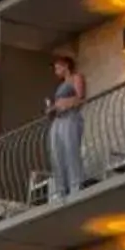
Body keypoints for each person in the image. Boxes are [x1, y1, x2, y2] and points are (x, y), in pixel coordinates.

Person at [46, 51, 89, 199]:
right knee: (57, 154)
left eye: (57, 66)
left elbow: (80, 98)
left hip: (70, 118)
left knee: (71, 150)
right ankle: (61, 189)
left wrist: (64, 103)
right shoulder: (61, 85)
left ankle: (75, 184)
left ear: (66, 65)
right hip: (58, 120)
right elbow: (58, 105)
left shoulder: (76, 78)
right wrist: (52, 109)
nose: (56, 70)